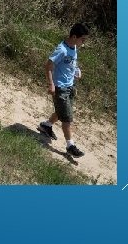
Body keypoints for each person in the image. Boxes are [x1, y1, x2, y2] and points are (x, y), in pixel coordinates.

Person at [38, 23, 90, 158]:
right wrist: (51, 84)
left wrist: (77, 70)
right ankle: (70, 146)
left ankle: (46, 125)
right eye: (82, 40)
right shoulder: (62, 50)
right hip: (60, 87)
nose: (83, 43)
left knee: (62, 111)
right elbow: (48, 66)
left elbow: (72, 62)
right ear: (74, 36)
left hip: (70, 87)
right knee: (67, 119)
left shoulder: (73, 47)